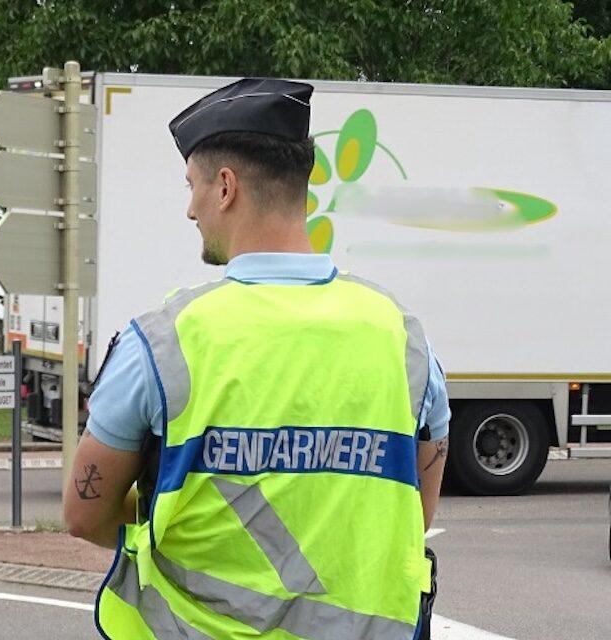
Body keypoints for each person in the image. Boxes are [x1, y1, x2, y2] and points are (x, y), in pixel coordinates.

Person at [63, 78, 449, 640]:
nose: (189, 209)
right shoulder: (404, 339)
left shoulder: (164, 342)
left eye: (192, 186)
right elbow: (413, 514)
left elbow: (84, 514)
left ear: (225, 187)